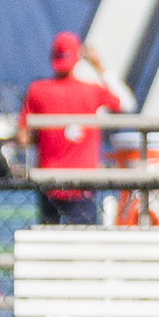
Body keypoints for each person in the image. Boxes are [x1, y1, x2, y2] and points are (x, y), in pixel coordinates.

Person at [16, 32, 133, 225]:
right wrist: (100, 67)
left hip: (49, 181)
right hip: (83, 183)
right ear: (78, 57)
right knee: (83, 243)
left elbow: (23, 138)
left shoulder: (38, 90)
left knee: (49, 242)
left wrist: (49, 137)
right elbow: (127, 104)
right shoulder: (92, 90)